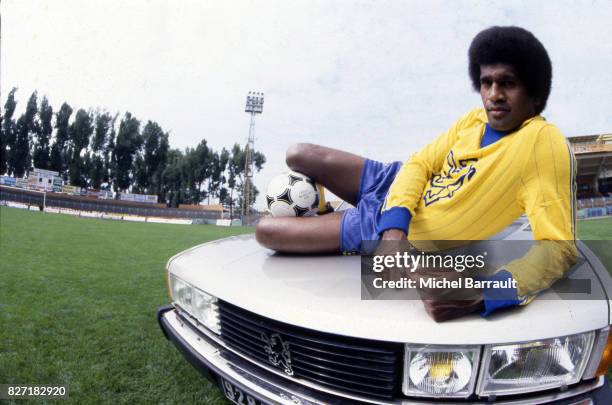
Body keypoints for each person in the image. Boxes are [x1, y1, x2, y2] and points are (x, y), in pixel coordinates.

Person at [256, 26, 577, 321]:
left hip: (384, 228)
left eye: (507, 83)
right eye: (486, 82)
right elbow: (420, 164)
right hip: (391, 185)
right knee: (297, 153)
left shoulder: (541, 143)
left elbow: (559, 249)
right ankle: (331, 209)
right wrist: (394, 229)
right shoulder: (473, 121)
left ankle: (334, 217)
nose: (494, 94)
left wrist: (485, 292)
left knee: (266, 232)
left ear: (535, 93)